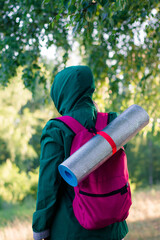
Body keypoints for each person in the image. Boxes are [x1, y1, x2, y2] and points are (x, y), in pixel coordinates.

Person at [32, 65, 128, 240]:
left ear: (61, 93)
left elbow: (48, 183)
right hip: (112, 229)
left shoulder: (56, 129)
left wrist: (40, 227)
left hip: (70, 229)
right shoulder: (111, 121)